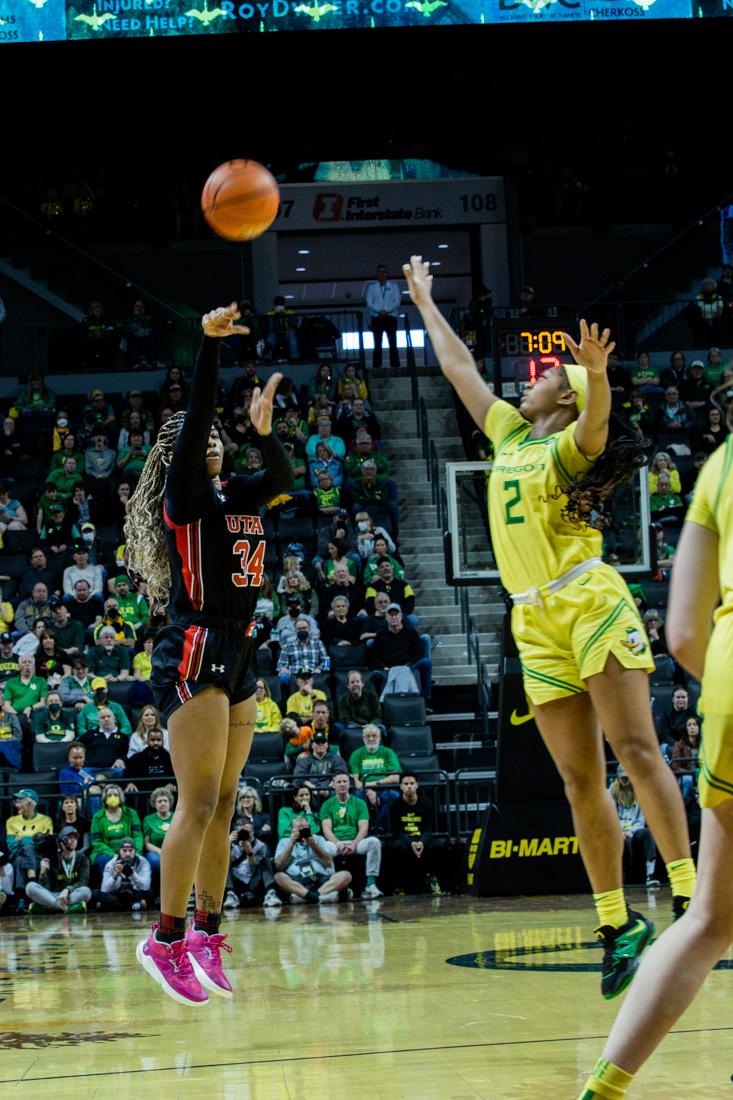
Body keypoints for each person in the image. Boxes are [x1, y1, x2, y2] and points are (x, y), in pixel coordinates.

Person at [403, 254, 695, 1000]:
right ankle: (615, 922)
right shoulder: (508, 436)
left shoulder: (568, 444)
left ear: (560, 399)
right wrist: (424, 304)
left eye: (544, 377)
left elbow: (597, 428)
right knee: (576, 777)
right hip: (531, 617)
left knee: (634, 748)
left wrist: (593, 375)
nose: (528, 380)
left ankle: (690, 894)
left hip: (587, 599)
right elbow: (459, 369)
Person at [125, 302, 293, 1006]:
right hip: (194, 647)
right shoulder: (186, 497)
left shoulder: (240, 494)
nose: (216, 437)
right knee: (195, 802)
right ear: (182, 454)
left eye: (224, 436)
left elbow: (282, 478)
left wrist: (263, 433)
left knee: (227, 802)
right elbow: (196, 414)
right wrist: (206, 346)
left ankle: (205, 932)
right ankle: (161, 939)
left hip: (242, 649)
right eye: (207, 436)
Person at [575, 401, 733, 1099]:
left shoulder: (721, 463)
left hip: (726, 674)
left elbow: (681, 635)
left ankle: (604, 1089)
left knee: (708, 919)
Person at [319, 772, 383, 898]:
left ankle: (371, 884)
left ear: (349, 784)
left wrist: (354, 843)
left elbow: (364, 827)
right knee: (323, 846)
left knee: (374, 842)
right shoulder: (327, 804)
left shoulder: (359, 803)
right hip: (336, 843)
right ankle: (332, 884)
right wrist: (338, 843)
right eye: (339, 782)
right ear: (333, 785)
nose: (342, 784)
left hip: (356, 842)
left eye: (345, 781)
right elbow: (326, 829)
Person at [273, 813, 352, 904]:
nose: (301, 831)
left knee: (345, 875)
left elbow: (328, 863)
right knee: (278, 877)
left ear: (309, 827)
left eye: (303, 828)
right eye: (298, 828)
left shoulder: (318, 839)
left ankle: (311, 897)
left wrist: (312, 844)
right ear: (292, 829)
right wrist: (291, 843)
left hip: (320, 878)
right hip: (297, 880)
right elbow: (278, 866)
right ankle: (322, 897)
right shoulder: (284, 841)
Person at [387, 772, 443, 896]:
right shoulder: (395, 806)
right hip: (404, 838)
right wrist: (411, 842)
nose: (409, 786)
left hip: (421, 837)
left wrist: (422, 842)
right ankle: (399, 883)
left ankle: (432, 878)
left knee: (437, 845)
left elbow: (429, 828)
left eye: (412, 783)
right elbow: (396, 830)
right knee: (396, 848)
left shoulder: (427, 804)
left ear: (417, 785)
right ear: (401, 786)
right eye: (406, 784)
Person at [609, 764, 659, 887]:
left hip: (634, 829)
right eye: (623, 778)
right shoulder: (611, 791)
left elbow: (641, 820)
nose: (625, 780)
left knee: (647, 833)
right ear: (618, 777)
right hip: (617, 830)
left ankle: (650, 875)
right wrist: (619, 831)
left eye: (627, 778)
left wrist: (630, 832)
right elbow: (610, 817)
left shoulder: (640, 792)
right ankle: (618, 878)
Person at [25, 825, 91, 913]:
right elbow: (46, 888)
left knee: (86, 891)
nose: (73, 840)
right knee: (30, 887)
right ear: (61, 842)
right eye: (69, 837)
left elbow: (83, 881)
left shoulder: (82, 858)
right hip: (53, 894)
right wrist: (42, 873)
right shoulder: (52, 858)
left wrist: (67, 890)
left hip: (70, 895)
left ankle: (49, 907)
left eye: (75, 837)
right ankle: (64, 908)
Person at [5, 787, 54, 901]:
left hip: (38, 855)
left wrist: (22, 839)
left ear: (31, 803)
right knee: (27, 848)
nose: (16, 804)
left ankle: (21, 898)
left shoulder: (45, 820)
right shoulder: (11, 821)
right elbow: (11, 846)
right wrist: (32, 839)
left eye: (20, 801)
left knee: (21, 860)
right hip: (17, 853)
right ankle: (32, 882)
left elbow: (46, 844)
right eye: (16, 802)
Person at [349, 724, 401, 819]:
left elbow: (396, 777)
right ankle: (365, 828)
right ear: (363, 738)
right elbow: (356, 780)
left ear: (380, 738)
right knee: (357, 797)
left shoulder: (388, 752)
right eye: (368, 736)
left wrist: (373, 783)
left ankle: (380, 826)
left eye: (374, 736)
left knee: (395, 797)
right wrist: (369, 790)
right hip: (363, 790)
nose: (371, 739)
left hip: (384, 788)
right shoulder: (356, 754)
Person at [89, 785, 143, 876]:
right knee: (103, 860)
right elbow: (96, 842)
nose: (112, 797)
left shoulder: (131, 813)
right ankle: (111, 886)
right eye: (109, 795)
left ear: (120, 797)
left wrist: (134, 851)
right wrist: (113, 854)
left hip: (129, 850)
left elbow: (138, 835)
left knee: (139, 859)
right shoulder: (97, 817)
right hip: (106, 852)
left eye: (115, 795)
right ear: (104, 798)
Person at [97, 837, 152, 912]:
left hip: (135, 893)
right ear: (119, 851)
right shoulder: (111, 863)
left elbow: (146, 887)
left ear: (135, 851)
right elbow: (104, 889)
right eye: (124, 850)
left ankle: (116, 908)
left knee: (149, 893)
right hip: (117, 893)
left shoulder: (143, 862)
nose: (127, 854)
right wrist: (115, 875)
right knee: (97, 893)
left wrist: (132, 874)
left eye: (130, 850)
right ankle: (134, 906)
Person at [365, 264, 401, 370]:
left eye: (384, 272)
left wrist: (387, 310)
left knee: (393, 342)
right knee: (377, 343)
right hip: (377, 318)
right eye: (380, 272)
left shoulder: (394, 286)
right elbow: (369, 302)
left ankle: (395, 365)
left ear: (387, 273)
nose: (382, 274)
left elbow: (397, 301)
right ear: (377, 274)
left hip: (390, 317)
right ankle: (377, 366)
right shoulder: (372, 288)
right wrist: (379, 311)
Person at [293, 729, 349, 794]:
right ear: (312, 745)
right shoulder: (304, 761)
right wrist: (313, 788)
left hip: (332, 790)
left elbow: (341, 773)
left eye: (323, 742)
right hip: (311, 792)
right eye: (317, 742)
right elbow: (298, 778)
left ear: (327, 744)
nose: (320, 744)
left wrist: (328, 789)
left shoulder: (336, 759)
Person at [142, 787, 175, 887]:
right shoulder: (148, 819)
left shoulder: (177, 816)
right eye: (159, 801)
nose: (163, 803)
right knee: (155, 861)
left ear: (170, 803)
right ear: (154, 804)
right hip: (157, 852)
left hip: (176, 851)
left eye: (165, 800)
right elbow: (147, 844)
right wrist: (160, 851)